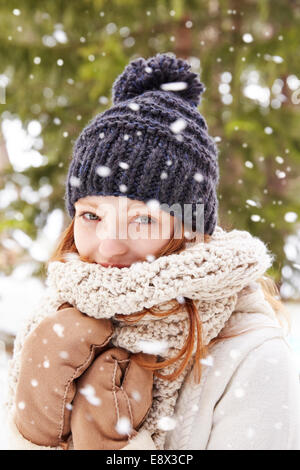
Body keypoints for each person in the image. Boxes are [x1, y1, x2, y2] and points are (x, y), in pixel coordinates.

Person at [5, 53, 300, 450]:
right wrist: (33, 429)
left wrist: (119, 449)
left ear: (190, 230)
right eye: (91, 215)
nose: (109, 246)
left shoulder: (250, 354)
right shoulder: (53, 320)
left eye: (143, 220)